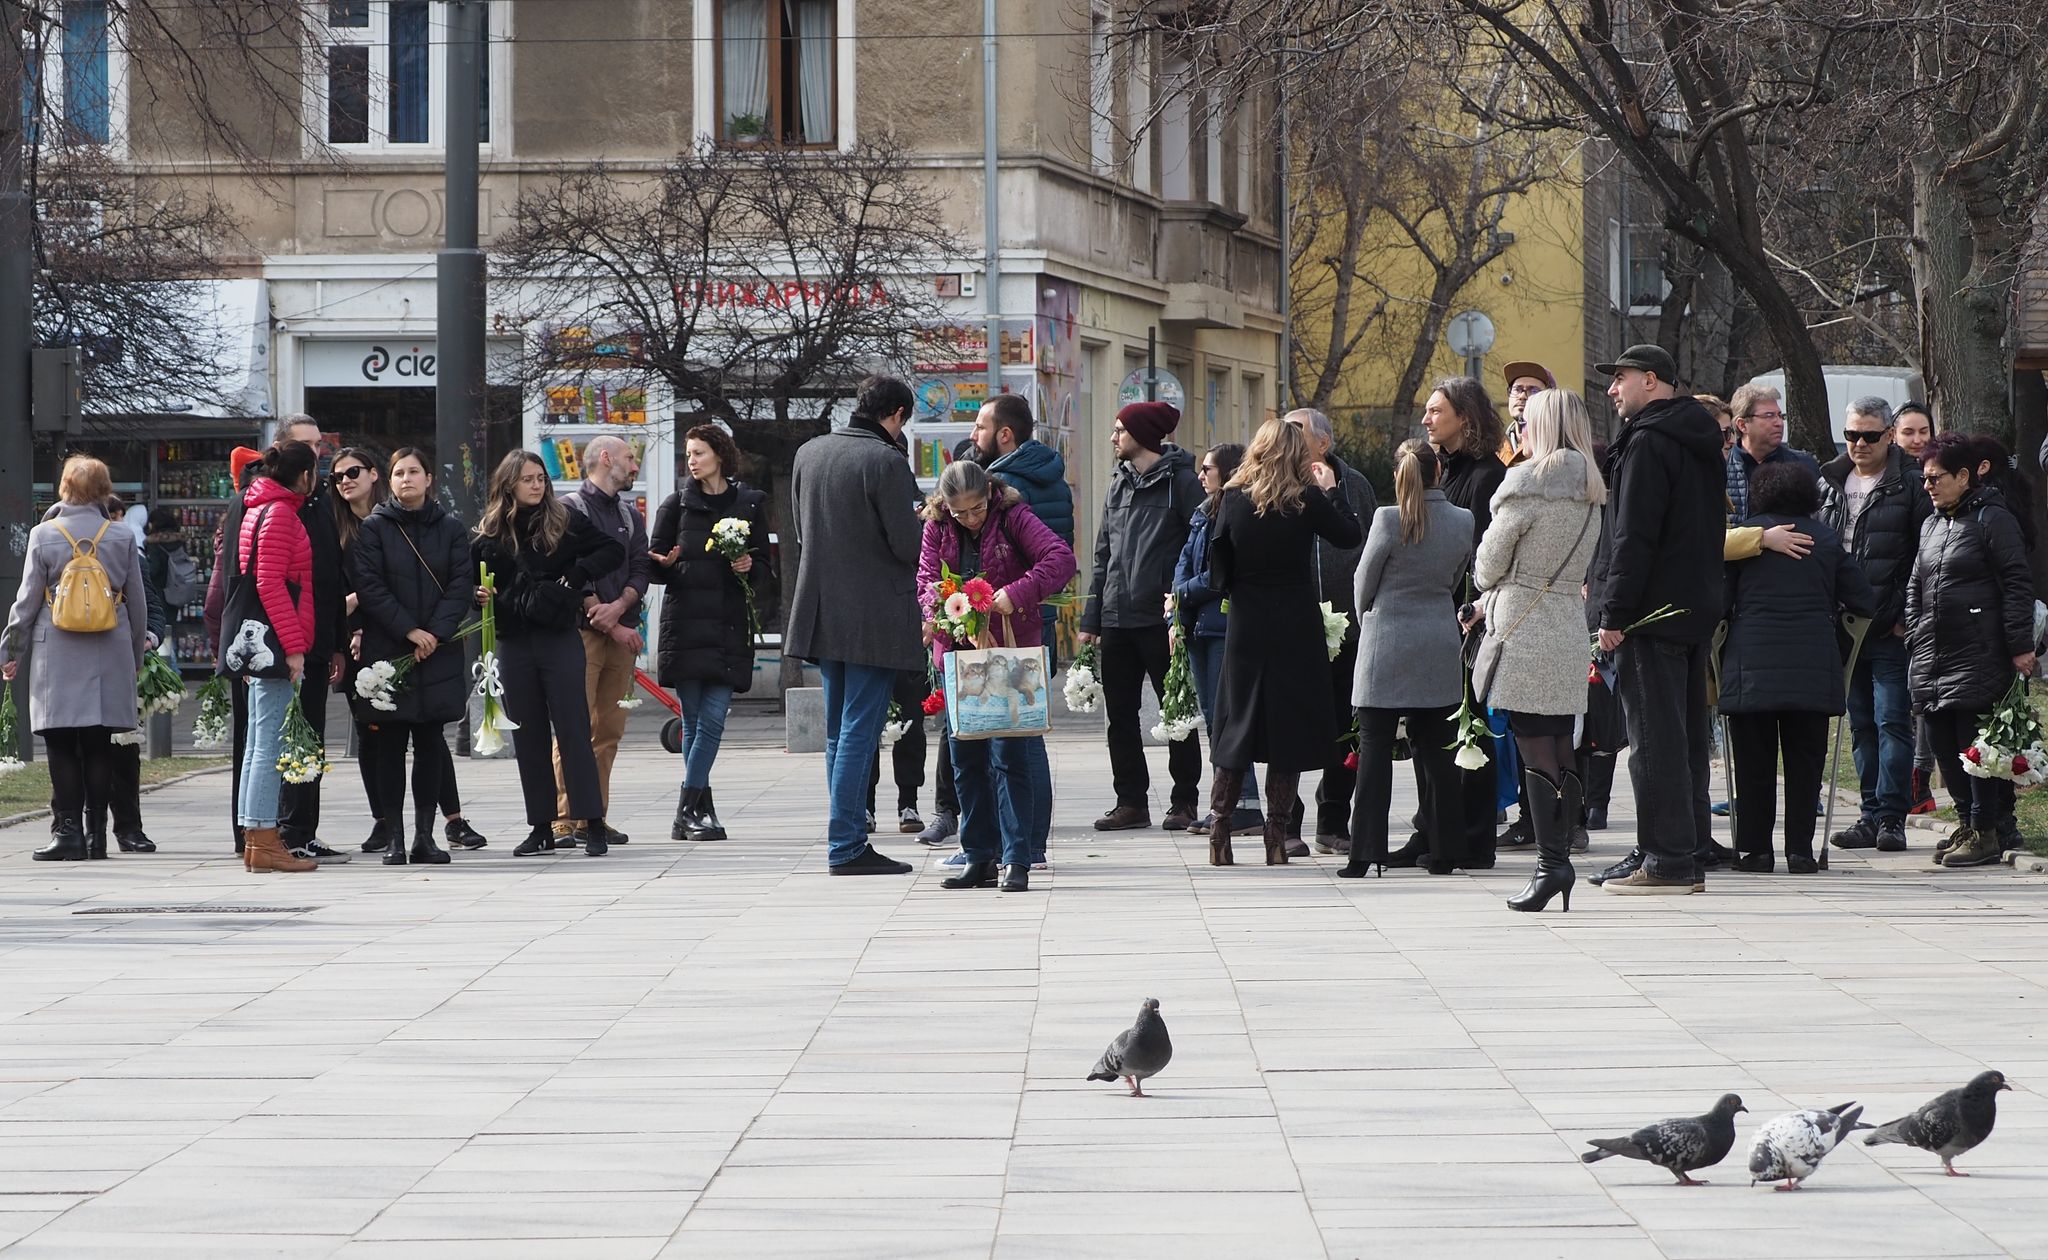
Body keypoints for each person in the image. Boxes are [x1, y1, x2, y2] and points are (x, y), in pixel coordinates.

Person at [1590, 345, 1727, 895]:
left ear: (1651, 380)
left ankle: (1667, 860)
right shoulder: (1696, 437)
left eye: (1619, 378)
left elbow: (1634, 536)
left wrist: (1614, 612)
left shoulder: (1648, 442)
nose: (1611, 389)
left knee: (1653, 741)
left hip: (1650, 613)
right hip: (1690, 608)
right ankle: (1677, 847)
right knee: (1685, 737)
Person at [785, 376, 927, 876]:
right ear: (897, 416)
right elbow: (909, 547)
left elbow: (804, 533)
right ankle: (845, 845)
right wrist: (926, 520)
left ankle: (844, 834)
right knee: (857, 734)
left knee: (836, 734)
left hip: (822, 610)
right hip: (873, 617)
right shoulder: (886, 461)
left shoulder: (810, 452)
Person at [1470, 389, 1607, 912]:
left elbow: (1487, 566)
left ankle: (1552, 865)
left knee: (1531, 740)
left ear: (1543, 426)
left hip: (1524, 626)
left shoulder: (1525, 484)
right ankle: (1559, 856)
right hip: (1566, 624)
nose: (1520, 428)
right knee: (1558, 741)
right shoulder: (1591, 489)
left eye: (1526, 421)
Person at [1205, 418, 1363, 866]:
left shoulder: (1232, 499)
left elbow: (1220, 569)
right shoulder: (1305, 499)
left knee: (1238, 725)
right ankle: (1276, 837)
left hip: (1247, 622)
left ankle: (1220, 831)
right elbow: (1350, 535)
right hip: (1294, 620)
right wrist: (1334, 490)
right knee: (1287, 730)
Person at [918, 460, 1077, 892]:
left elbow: (1060, 558)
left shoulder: (1013, 515)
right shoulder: (936, 525)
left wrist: (1015, 593)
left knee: (1009, 757)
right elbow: (927, 579)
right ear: (945, 506)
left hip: (1007, 655)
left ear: (989, 494)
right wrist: (938, 607)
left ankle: (1017, 858)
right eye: (960, 512)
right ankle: (978, 855)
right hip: (959, 659)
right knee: (965, 759)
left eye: (976, 510)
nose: (970, 518)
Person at [331, 447, 489, 855]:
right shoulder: (375, 529)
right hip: (391, 649)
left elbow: (460, 585)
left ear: (429, 478)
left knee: (430, 739)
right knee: (389, 744)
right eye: (398, 472)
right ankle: (395, 839)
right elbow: (370, 588)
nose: (406, 479)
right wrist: (409, 630)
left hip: (437, 651)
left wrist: (434, 632)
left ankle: (425, 837)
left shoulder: (452, 528)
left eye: (414, 471)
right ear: (390, 479)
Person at [1721, 463, 1877, 873]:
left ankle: (1754, 851)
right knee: (1805, 765)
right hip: (1812, 664)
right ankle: (1800, 852)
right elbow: (1863, 600)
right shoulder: (1824, 540)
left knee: (1753, 765)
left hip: (1749, 665)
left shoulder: (1747, 541)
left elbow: (1718, 603)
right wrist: (1837, 641)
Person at [471, 451, 626, 858]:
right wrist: (480, 595)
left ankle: (591, 822)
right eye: (527, 479)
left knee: (575, 729)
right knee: (528, 736)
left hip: (559, 636)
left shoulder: (564, 520)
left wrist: (575, 575)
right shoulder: (490, 532)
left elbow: (612, 551)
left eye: (541, 478)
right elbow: (470, 582)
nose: (537, 485)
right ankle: (540, 827)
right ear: (509, 485)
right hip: (514, 640)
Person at [2, 458, 150, 863]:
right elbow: (136, 604)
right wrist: (134, 655)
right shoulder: (120, 535)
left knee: (62, 743)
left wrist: (11, 649)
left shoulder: (44, 534)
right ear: (105, 488)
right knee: (99, 743)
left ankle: (66, 832)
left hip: (57, 650)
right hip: (111, 646)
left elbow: (27, 599)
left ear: (64, 487)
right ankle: (97, 836)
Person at [1908, 433, 2037, 868]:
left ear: (1964, 476)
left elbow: (2018, 582)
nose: (1928, 485)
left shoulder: (1992, 519)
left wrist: (2019, 644)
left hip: (1980, 651)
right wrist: (1914, 631)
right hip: (1933, 652)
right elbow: (1916, 585)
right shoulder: (1932, 523)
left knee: (1975, 749)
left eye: (1935, 478)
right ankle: (1968, 823)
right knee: (1943, 743)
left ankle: (1986, 830)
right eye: (1924, 478)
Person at [1343, 439, 1471, 877]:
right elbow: (1456, 578)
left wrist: (1371, 621)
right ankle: (1445, 850)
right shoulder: (1462, 520)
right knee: (1437, 752)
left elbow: (1364, 582)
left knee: (1375, 749)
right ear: (1439, 471)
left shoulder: (1387, 519)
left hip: (1388, 639)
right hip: (1437, 638)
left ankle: (1365, 854)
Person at [1077, 400, 1204, 832]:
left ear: (1143, 435)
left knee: (1176, 713)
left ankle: (1184, 801)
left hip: (1161, 619)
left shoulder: (1184, 484)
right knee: (1121, 716)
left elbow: (1200, 549)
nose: (1113, 438)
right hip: (1116, 618)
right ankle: (1130, 801)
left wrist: (1182, 608)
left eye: (1119, 431)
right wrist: (1091, 620)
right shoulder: (1118, 483)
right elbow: (1102, 555)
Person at [650, 423, 775, 842]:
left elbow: (764, 570)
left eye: (699, 452)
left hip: (728, 624)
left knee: (714, 720)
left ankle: (686, 810)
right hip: (685, 623)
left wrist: (749, 567)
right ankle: (698, 809)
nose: (692, 460)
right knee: (694, 720)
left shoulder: (749, 504)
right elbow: (652, 562)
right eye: (688, 454)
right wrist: (663, 564)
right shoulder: (676, 505)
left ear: (719, 455)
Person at [1819, 398, 1932, 855]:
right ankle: (1869, 814)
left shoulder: (1909, 485)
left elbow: (1926, 557)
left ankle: (1891, 817)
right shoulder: (1830, 482)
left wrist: (1909, 615)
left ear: (1889, 435)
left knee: (1892, 721)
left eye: (1869, 435)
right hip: (1843, 626)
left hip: (1888, 626)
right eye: (1851, 435)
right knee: (1860, 724)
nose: (1859, 445)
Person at [974, 392, 1074, 865]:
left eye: (980, 427)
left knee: (1016, 738)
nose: (974, 436)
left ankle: (1026, 844)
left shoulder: (1006, 487)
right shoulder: (1050, 474)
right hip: (1039, 617)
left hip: (1010, 624)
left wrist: (1007, 595)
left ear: (1005, 434)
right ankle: (1028, 843)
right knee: (1025, 733)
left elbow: (1027, 557)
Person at [1419, 376, 1508, 869]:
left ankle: (1474, 837)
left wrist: (1472, 608)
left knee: (1468, 728)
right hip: (1440, 614)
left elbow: (1478, 553)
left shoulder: (1483, 476)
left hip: (1468, 617)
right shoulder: (1444, 469)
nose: (1427, 419)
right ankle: (1433, 829)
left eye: (1436, 411)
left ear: (1465, 418)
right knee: (1438, 730)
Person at [1281, 407, 1377, 855]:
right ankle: (1285, 823)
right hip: (1294, 628)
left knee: (1345, 728)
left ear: (1322, 443)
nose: (1286, 438)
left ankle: (1333, 820)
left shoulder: (1355, 485)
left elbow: (1369, 545)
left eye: (1295, 431)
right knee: (1290, 727)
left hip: (1349, 628)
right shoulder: (1273, 482)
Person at [227, 441, 322, 874]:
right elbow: (271, 584)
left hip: (258, 638)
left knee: (256, 743)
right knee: (268, 743)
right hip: (276, 640)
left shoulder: (257, 506)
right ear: (305, 475)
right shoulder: (281, 513)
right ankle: (264, 838)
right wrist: (294, 646)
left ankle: (255, 837)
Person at [553, 434, 650, 850]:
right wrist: (605, 615)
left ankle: (596, 815)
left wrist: (622, 605)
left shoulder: (631, 515)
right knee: (574, 726)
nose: (634, 466)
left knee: (608, 730)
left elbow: (641, 567)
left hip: (620, 634)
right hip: (582, 633)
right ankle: (562, 818)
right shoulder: (569, 509)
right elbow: (569, 568)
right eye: (630, 458)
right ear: (605, 458)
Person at [1171, 442, 1261, 840]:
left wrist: (1183, 593)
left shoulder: (1237, 510)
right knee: (1213, 720)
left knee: (1229, 720)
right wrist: (1177, 599)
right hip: (1197, 627)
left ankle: (1244, 805)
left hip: (1221, 626)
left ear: (1227, 471)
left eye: (1208, 468)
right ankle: (1224, 803)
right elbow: (1185, 561)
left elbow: (1217, 575)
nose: (1202, 474)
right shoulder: (1202, 513)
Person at [1724, 383, 1819, 521]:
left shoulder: (1804, 465)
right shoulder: (1721, 466)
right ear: (1742, 425)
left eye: (1780, 415)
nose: (1779, 423)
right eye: (1769, 416)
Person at [1499, 361, 1557, 466]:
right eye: (1517, 389)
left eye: (1534, 391)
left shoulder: (1555, 449)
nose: (1522, 396)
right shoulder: (1494, 446)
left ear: (1549, 401)